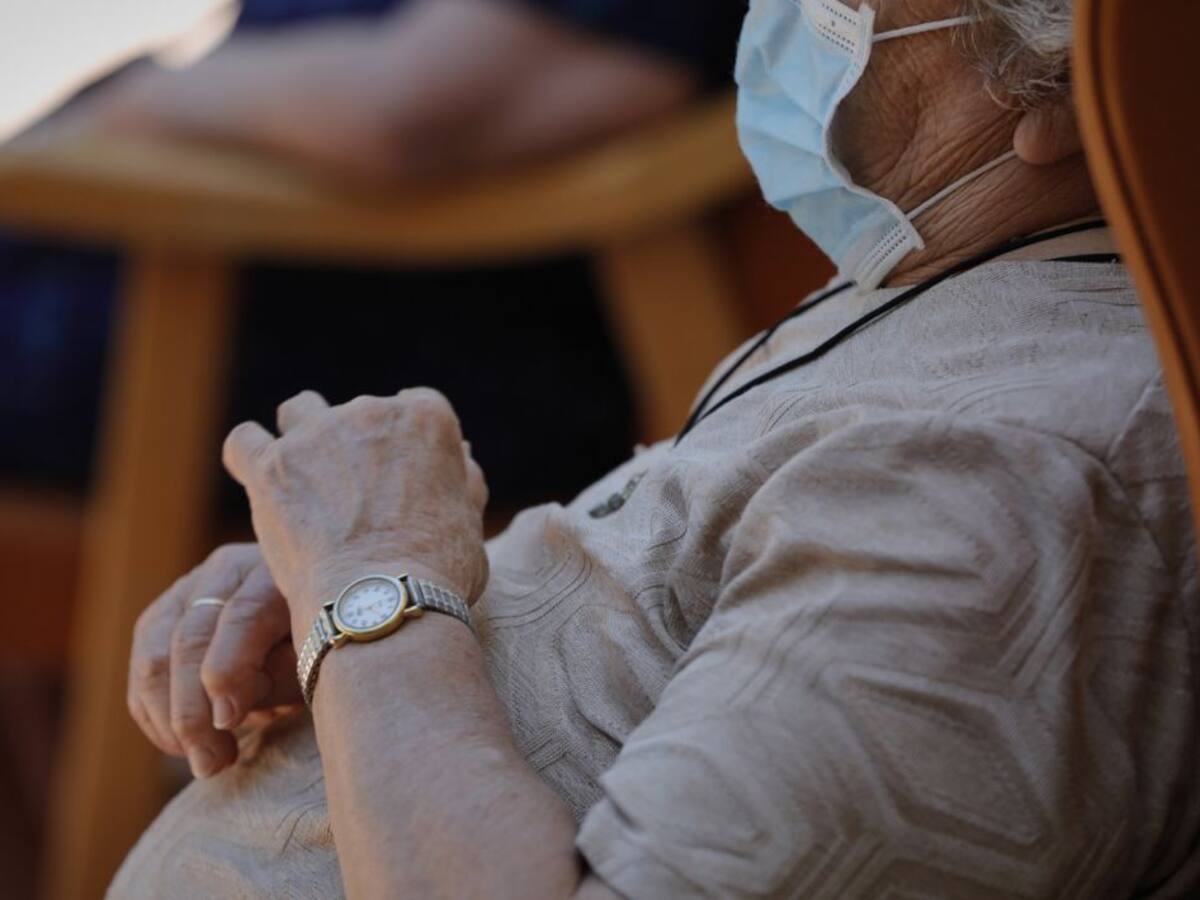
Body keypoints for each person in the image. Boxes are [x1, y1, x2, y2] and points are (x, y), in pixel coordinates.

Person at [113, 0, 1199, 896]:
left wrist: (375, 593)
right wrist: (344, 592)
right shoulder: (959, 286)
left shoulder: (994, 482)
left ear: (1069, 90)